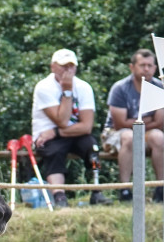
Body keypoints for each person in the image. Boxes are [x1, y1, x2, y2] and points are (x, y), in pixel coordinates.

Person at [31, 48, 109, 207]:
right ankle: (59, 196)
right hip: (46, 137)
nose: (68, 70)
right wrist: (67, 91)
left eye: (71, 66)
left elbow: (87, 126)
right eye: (63, 66)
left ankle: (96, 191)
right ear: (53, 67)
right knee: (54, 151)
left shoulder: (84, 87)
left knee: (91, 146)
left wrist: (55, 132)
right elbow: (62, 120)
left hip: (60, 133)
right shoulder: (44, 87)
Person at [102, 49, 164, 203]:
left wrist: (140, 121)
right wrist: (149, 119)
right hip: (116, 133)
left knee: (159, 137)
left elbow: (161, 123)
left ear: (155, 68)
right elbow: (120, 123)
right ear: (132, 67)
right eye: (142, 65)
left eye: (150, 65)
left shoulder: (160, 88)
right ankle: (124, 188)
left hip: (147, 132)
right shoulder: (120, 88)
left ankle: (161, 188)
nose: (146, 69)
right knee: (130, 137)